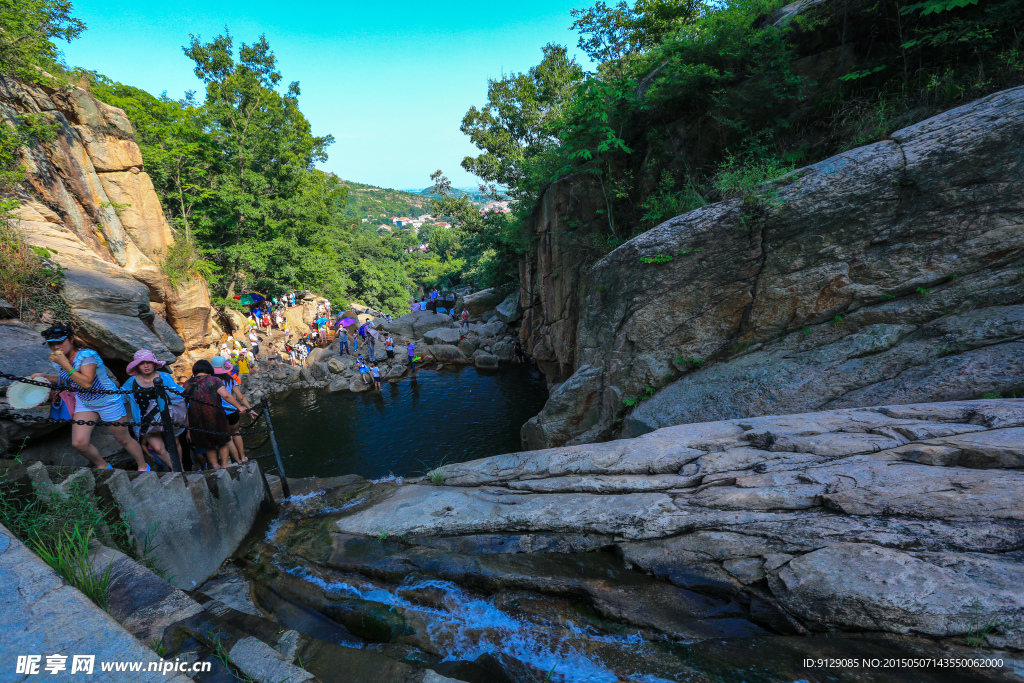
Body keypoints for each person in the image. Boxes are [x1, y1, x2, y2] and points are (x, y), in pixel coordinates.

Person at [31, 324, 149, 471]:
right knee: (79, 443)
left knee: (123, 439)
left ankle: (143, 467)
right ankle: (104, 467)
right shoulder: (61, 359)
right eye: (51, 344)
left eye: (60, 342)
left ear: (71, 339)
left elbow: (86, 382)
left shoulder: (86, 356)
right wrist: (44, 377)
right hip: (85, 402)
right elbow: (69, 380)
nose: (55, 347)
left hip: (108, 401)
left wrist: (65, 364)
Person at [122, 349, 187, 470]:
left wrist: (163, 390)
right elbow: (121, 398)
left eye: (149, 362)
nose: (146, 366)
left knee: (175, 443)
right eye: (142, 363)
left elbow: (178, 394)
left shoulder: (165, 377)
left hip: (168, 416)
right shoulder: (131, 382)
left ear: (154, 363)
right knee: (157, 449)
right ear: (137, 366)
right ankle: (176, 469)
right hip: (147, 420)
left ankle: (180, 468)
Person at [182, 360, 248, 469]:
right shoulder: (214, 380)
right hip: (215, 417)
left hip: (197, 419)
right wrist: (239, 406)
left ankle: (215, 466)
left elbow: (186, 406)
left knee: (208, 444)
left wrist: (188, 429)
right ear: (209, 370)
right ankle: (225, 465)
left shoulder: (186, 384)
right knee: (223, 441)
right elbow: (226, 395)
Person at [212, 356, 258, 464]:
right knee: (236, 433)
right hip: (232, 411)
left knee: (227, 437)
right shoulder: (230, 379)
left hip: (219, 413)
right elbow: (241, 397)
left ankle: (235, 460)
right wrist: (250, 410)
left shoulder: (211, 380)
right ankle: (242, 457)